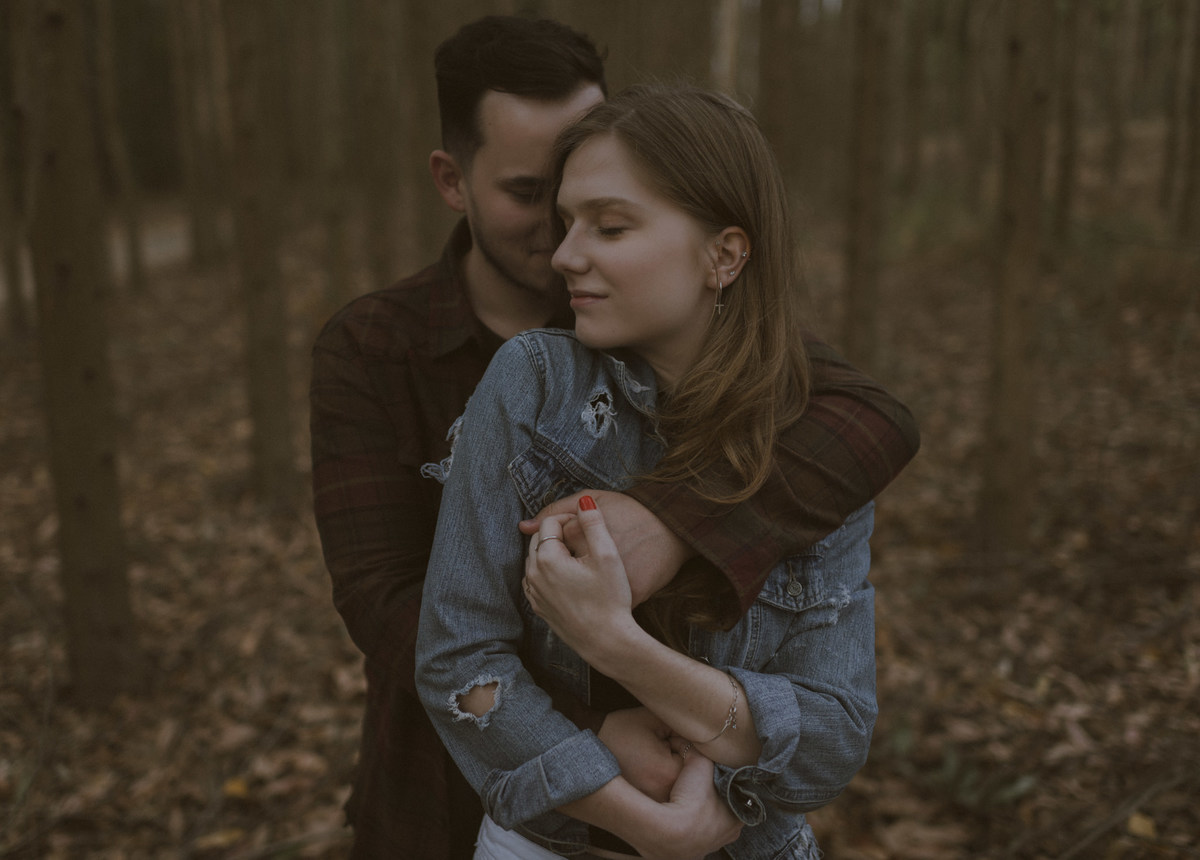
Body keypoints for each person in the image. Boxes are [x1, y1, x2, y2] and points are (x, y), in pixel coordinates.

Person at [310, 16, 919, 860]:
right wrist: (601, 738)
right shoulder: (393, 351)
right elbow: (402, 614)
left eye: (605, 217)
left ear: (722, 256)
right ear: (453, 181)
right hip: (454, 797)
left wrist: (669, 525)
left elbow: (872, 420)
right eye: (540, 199)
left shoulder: (695, 342)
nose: (563, 252)